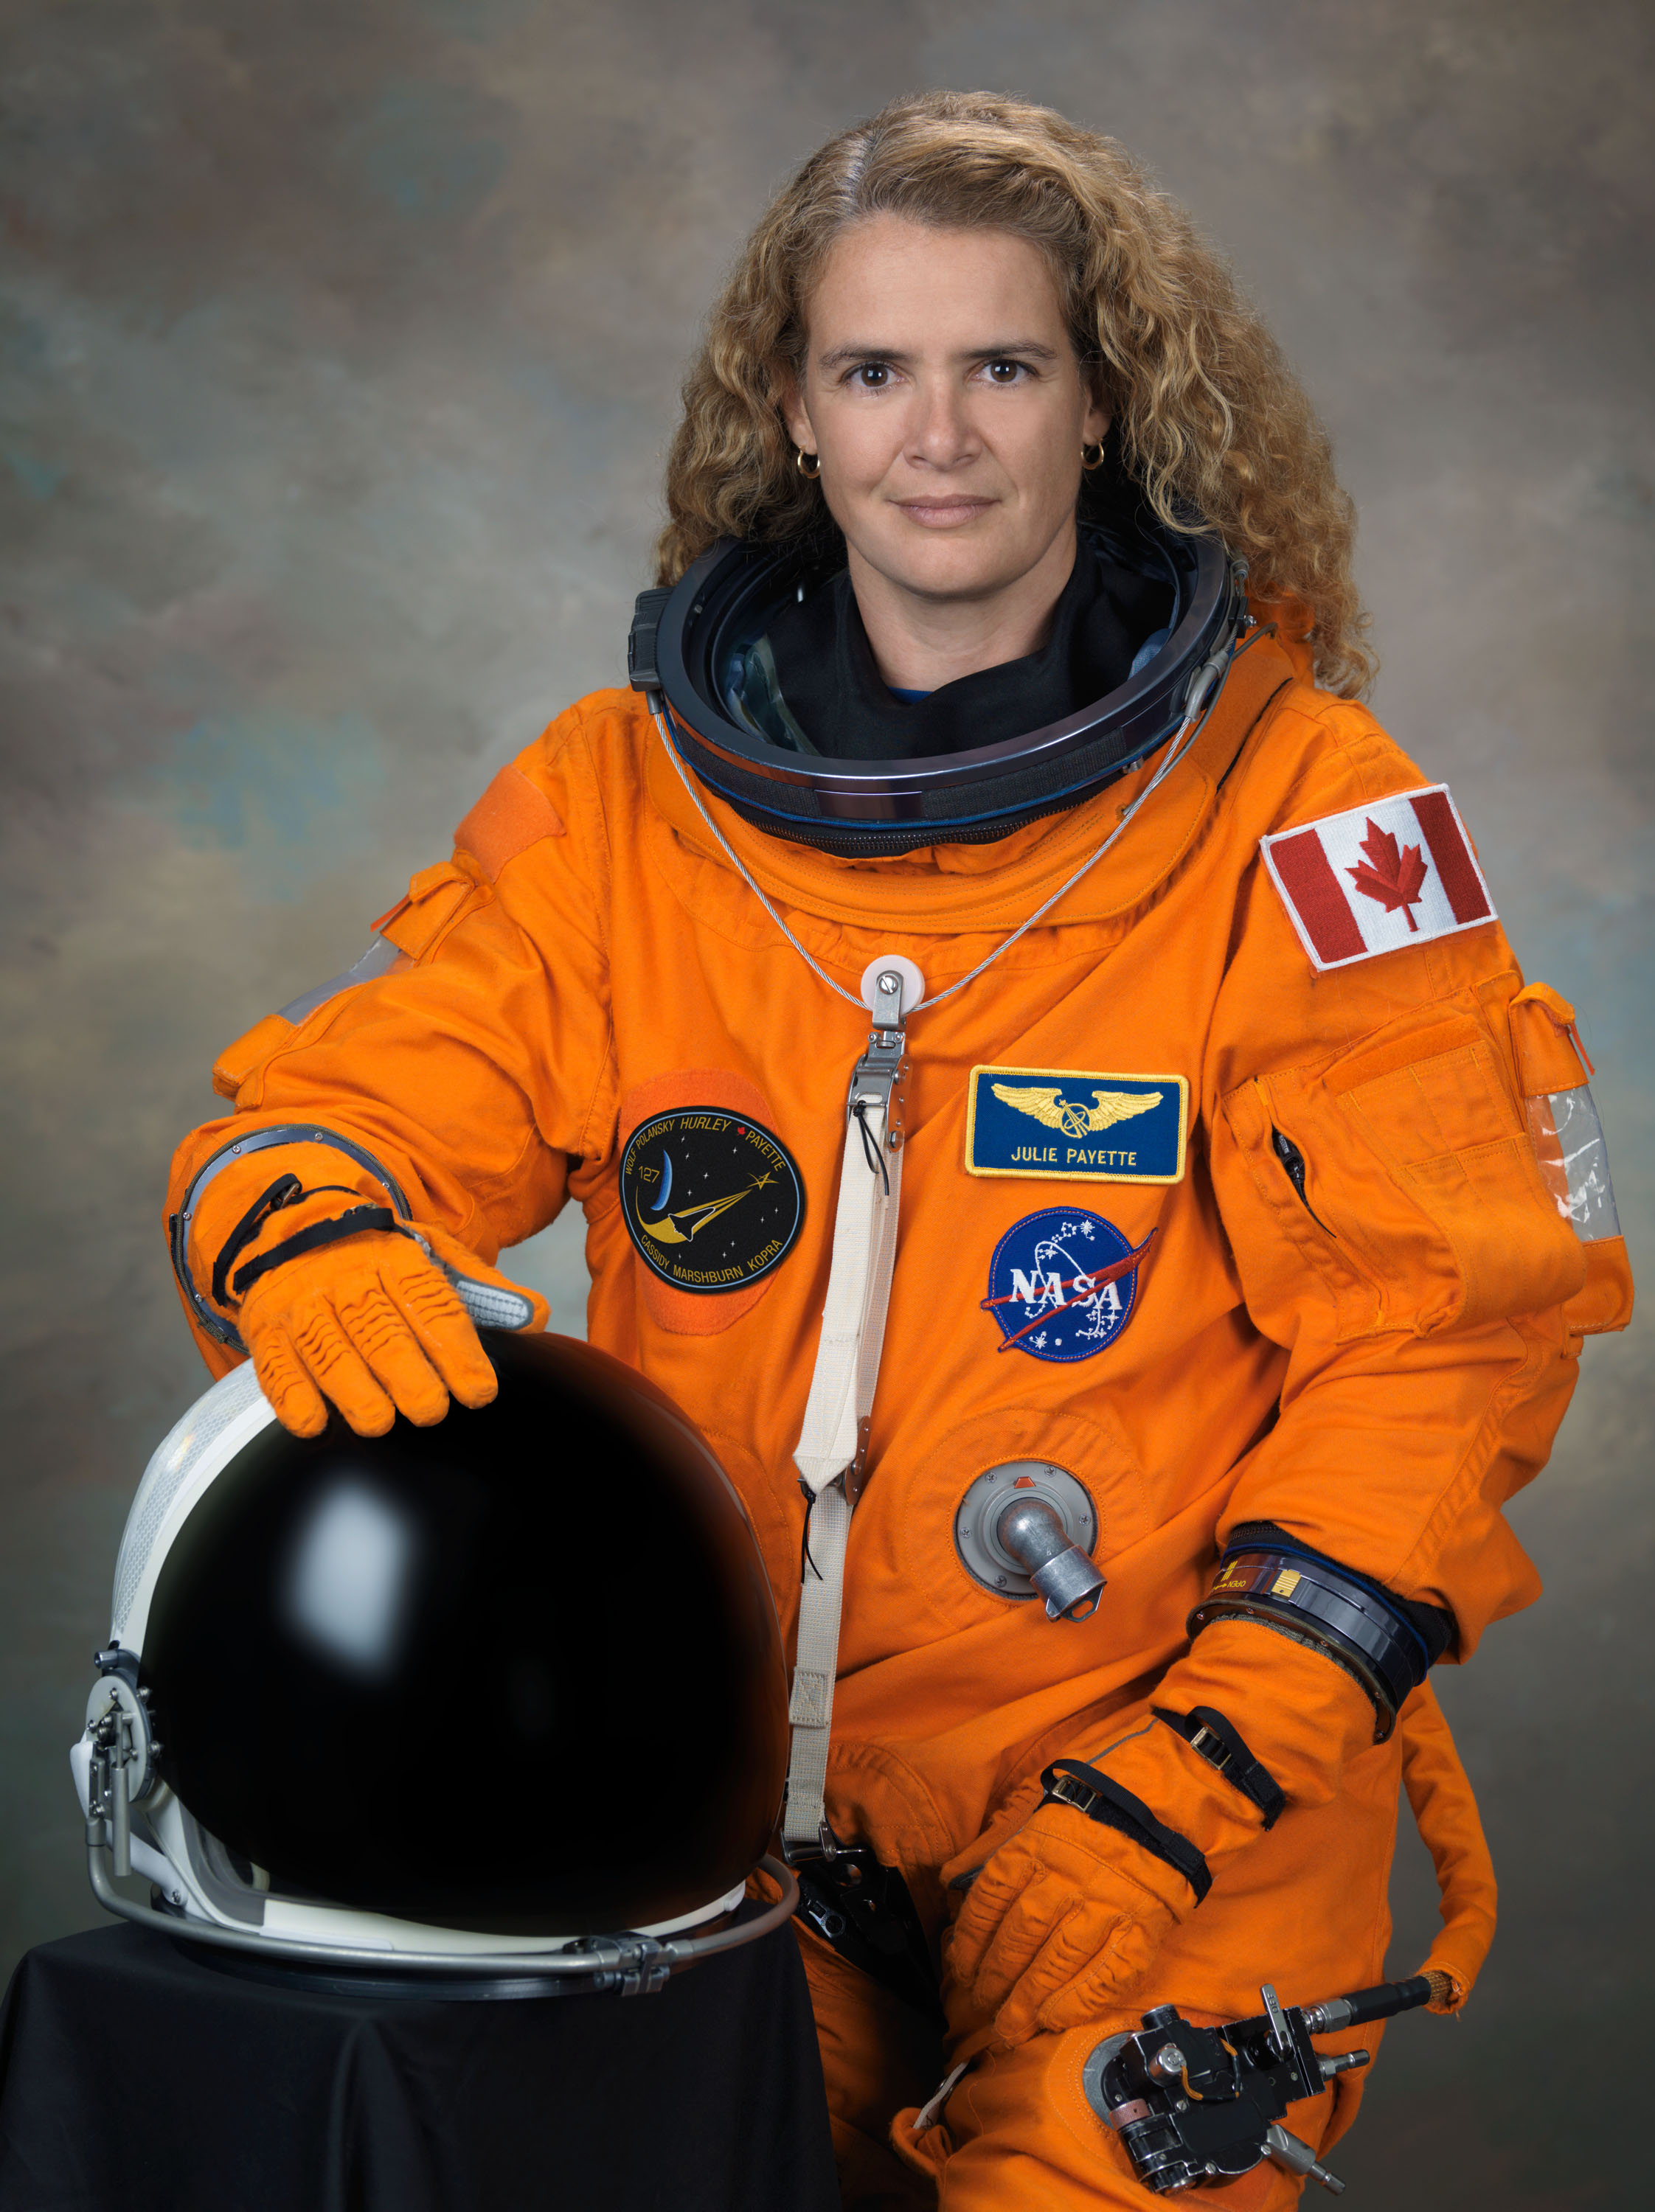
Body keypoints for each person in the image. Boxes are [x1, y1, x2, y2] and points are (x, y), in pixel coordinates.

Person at [164, 91, 1632, 2209]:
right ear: (794, 408)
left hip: (1162, 1814)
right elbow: (350, 1107)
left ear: (1104, 402)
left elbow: (1448, 1340)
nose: (935, 436)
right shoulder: (622, 808)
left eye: (1001, 365)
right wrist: (303, 1228)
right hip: (715, 1822)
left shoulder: (1311, 814)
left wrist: (1200, 1767)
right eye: (873, 370)